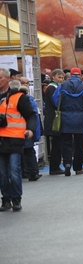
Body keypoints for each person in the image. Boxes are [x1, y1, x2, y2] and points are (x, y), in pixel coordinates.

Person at [0, 68, 37, 211]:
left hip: (15, 138)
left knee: (14, 170)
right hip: (1, 139)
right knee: (2, 173)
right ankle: (6, 199)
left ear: (7, 79)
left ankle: (16, 198)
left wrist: (30, 130)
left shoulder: (19, 97)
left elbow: (31, 115)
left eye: (0, 78)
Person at [52, 67, 83, 175]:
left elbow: (55, 100)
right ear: (80, 76)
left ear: (70, 75)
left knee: (66, 142)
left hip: (65, 117)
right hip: (80, 117)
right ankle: (78, 167)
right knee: (79, 143)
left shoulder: (62, 86)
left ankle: (67, 163)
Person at [17, 79, 42, 181]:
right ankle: (32, 172)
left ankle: (29, 172)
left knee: (25, 151)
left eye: (27, 83)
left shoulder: (26, 99)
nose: (26, 85)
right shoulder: (29, 99)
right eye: (24, 83)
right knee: (28, 151)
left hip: (22, 129)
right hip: (26, 129)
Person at [43, 69, 65, 175]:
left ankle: (56, 165)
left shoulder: (56, 87)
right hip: (53, 118)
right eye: (59, 77)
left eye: (62, 78)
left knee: (57, 143)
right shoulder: (51, 88)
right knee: (56, 143)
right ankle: (54, 166)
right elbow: (56, 102)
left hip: (55, 117)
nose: (60, 79)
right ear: (53, 77)